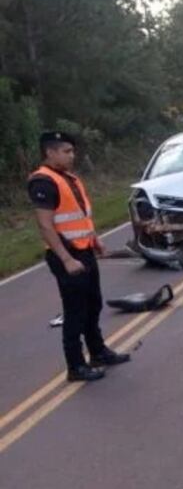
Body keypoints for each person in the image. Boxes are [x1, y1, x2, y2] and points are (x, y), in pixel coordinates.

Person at [28, 131, 130, 382]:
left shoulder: (69, 178)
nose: (72, 156)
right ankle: (75, 366)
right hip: (66, 254)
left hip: (84, 250)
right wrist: (66, 259)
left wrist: (95, 239)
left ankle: (98, 352)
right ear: (50, 152)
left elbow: (80, 216)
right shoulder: (43, 182)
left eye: (72, 151)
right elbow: (45, 225)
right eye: (66, 151)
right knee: (75, 311)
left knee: (93, 303)